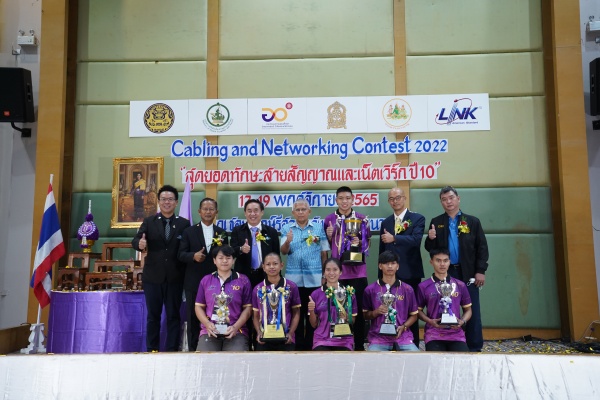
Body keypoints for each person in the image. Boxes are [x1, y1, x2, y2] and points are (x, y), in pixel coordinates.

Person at [424, 186, 489, 352]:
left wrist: (480, 271)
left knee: (472, 310)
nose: (448, 202)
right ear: (441, 202)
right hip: (445, 273)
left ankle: (474, 347)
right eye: (444, 199)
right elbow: (430, 249)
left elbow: (482, 248)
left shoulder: (472, 221)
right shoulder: (436, 222)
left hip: (468, 272)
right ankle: (447, 342)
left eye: (451, 198)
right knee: (445, 307)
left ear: (458, 199)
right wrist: (430, 239)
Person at [131, 184, 189, 352]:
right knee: (153, 316)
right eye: (163, 199)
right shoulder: (149, 222)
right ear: (158, 201)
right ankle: (152, 349)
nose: (167, 202)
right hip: (153, 278)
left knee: (173, 316)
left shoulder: (184, 224)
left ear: (176, 202)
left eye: (170, 199)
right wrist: (139, 243)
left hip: (175, 277)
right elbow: (136, 240)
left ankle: (172, 350)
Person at [178, 197, 228, 351]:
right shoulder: (189, 231)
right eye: (205, 209)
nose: (208, 212)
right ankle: (194, 350)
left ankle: (217, 347)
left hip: (216, 283)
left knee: (217, 315)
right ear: (199, 211)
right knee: (193, 318)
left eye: (211, 209)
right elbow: (180, 254)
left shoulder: (222, 233)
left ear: (216, 212)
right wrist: (193, 256)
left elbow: (226, 255)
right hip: (194, 282)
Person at [324, 186, 371, 351]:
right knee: (337, 310)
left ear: (353, 199)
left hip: (358, 273)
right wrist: (329, 235)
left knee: (358, 312)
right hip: (337, 274)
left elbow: (368, 243)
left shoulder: (362, 219)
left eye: (347, 198)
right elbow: (326, 246)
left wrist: (360, 242)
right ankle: (340, 344)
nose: (344, 201)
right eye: (341, 198)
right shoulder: (329, 219)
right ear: (336, 200)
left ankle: (359, 345)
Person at [280, 199, 329, 350]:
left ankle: (313, 345)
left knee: (313, 312)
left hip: (314, 279)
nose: (301, 212)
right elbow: (283, 251)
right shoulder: (287, 228)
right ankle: (298, 346)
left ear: (309, 211)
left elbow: (324, 253)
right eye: (298, 210)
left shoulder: (318, 228)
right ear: (293, 212)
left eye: (303, 209)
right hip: (294, 280)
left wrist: (324, 276)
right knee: (297, 312)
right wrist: (288, 242)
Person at [378, 187, 425, 347]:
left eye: (398, 197)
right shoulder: (386, 222)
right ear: (388, 202)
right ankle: (390, 342)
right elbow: (382, 251)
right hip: (389, 275)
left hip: (410, 272)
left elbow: (416, 240)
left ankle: (413, 343)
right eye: (391, 199)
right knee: (389, 308)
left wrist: (394, 238)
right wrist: (380, 275)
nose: (395, 201)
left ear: (404, 198)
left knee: (411, 310)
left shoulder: (417, 218)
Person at [195, 245, 253, 351]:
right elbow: (198, 306)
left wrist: (235, 327)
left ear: (233, 260)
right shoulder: (206, 280)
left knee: (236, 359)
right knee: (204, 358)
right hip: (210, 331)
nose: (224, 261)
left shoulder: (243, 280)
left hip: (236, 331)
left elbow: (248, 309)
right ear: (214, 261)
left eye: (228, 258)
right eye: (221, 258)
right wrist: (207, 324)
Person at [417, 248, 472, 352]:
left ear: (449, 262)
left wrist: (462, 321)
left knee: (463, 359)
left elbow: (468, 310)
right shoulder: (423, 286)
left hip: (456, 334)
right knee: (435, 359)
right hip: (433, 334)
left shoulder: (460, 285)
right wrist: (430, 321)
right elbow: (418, 311)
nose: (442, 264)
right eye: (438, 260)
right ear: (431, 262)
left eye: (445, 260)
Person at [363, 251, 419, 351]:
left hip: (403, 337)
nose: (390, 266)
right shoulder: (370, 289)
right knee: (371, 358)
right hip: (378, 338)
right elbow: (365, 315)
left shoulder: (407, 289)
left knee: (416, 357)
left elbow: (414, 315)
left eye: (393, 263)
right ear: (380, 266)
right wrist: (376, 312)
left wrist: (404, 327)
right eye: (386, 263)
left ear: (397, 266)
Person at [252, 253, 301, 351]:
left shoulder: (291, 286)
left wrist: (290, 333)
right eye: (268, 264)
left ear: (281, 265)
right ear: (263, 267)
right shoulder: (257, 289)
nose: (272, 267)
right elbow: (255, 315)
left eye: (275, 263)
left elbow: (296, 313)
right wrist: (259, 332)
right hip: (264, 338)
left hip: (286, 338)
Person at [308, 258, 358, 351]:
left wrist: (346, 317)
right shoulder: (316, 294)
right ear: (324, 272)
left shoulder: (349, 293)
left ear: (340, 272)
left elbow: (353, 321)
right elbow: (313, 324)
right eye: (328, 270)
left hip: (344, 339)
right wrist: (311, 310)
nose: (331, 273)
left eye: (335, 269)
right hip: (322, 340)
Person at [230, 199, 280, 288]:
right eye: (249, 211)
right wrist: (241, 249)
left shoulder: (271, 232)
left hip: (266, 274)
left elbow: (277, 255)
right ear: (245, 213)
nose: (252, 214)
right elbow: (231, 252)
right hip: (243, 275)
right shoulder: (237, 231)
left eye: (256, 210)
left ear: (262, 212)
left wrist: (277, 277)